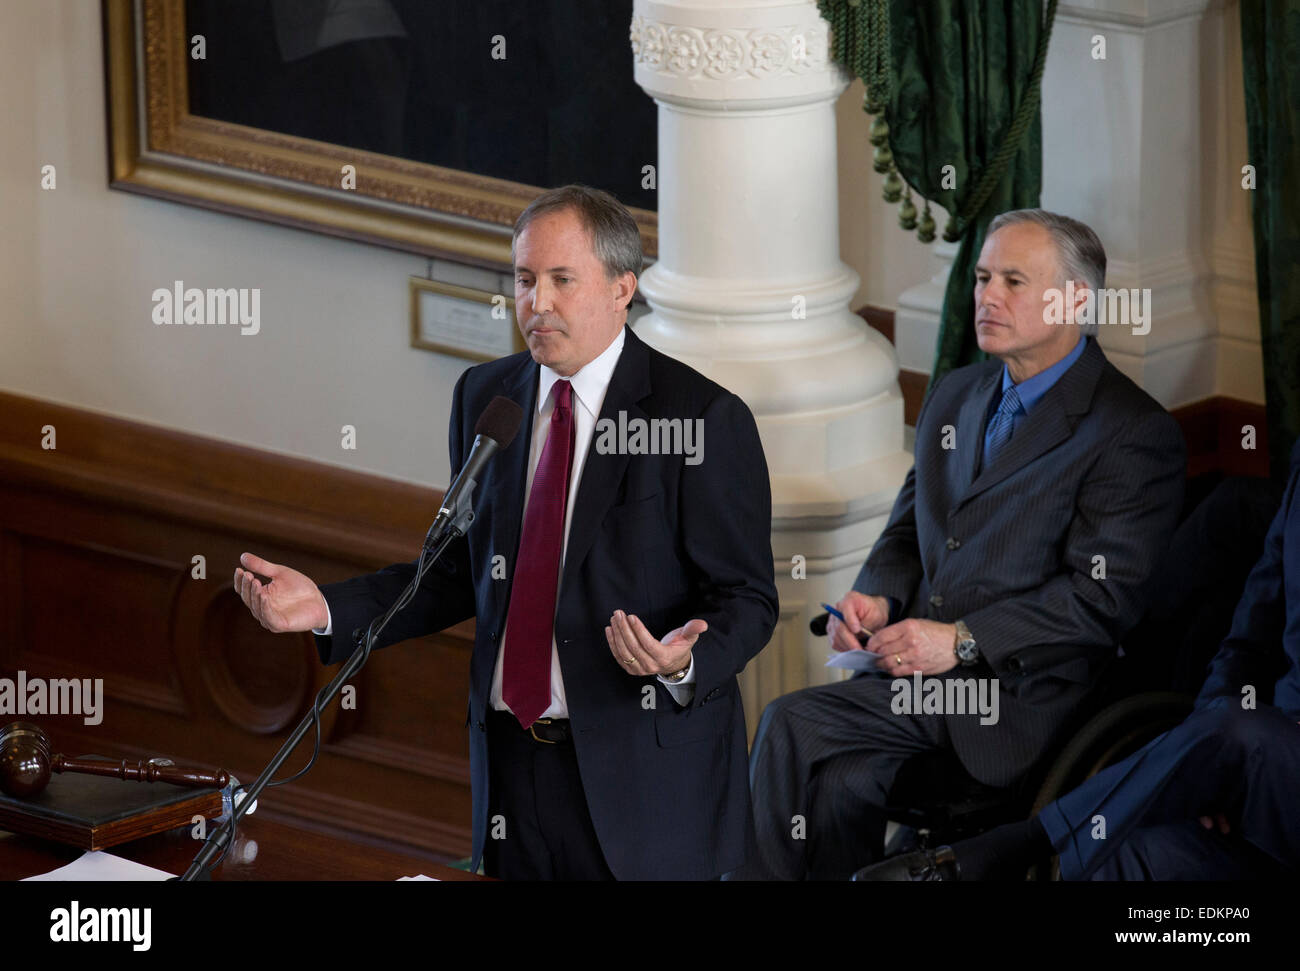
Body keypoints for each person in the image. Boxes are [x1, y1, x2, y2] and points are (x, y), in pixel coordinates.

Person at [233, 185, 778, 880]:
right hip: (514, 766)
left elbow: (749, 599)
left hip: (643, 777)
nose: (536, 303)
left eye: (560, 280)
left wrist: (684, 660)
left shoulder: (700, 417)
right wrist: (330, 607)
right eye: (523, 279)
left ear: (622, 289)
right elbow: (463, 570)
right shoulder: (486, 398)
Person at [732, 208, 1186, 880]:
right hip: (914, 680)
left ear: (1077, 300)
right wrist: (875, 596)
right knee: (838, 777)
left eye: (1012, 280)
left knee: (790, 723)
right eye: (980, 277)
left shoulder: (1129, 432)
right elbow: (909, 531)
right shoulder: (956, 394)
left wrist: (962, 639)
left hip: (1019, 698)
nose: (986, 296)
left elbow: (1100, 600)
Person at [858, 436, 1300, 881]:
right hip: (1266, 786)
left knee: (1239, 726)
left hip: (1266, 748)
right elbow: (1250, 638)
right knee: (1114, 855)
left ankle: (996, 852)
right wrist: (1209, 774)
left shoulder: (1129, 433)